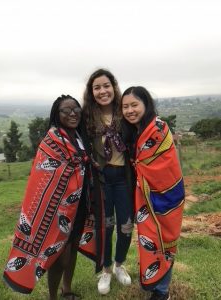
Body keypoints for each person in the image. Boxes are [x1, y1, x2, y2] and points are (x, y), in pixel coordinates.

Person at [3, 95, 104, 300]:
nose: (72, 113)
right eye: (66, 111)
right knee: (59, 255)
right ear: (57, 116)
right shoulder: (52, 139)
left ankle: (67, 290)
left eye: (75, 109)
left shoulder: (79, 136)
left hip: (80, 204)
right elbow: (45, 174)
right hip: (58, 210)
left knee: (73, 246)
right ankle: (53, 297)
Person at [121, 86, 185, 300]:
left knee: (164, 242)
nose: (130, 110)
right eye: (125, 107)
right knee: (149, 241)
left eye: (134, 105)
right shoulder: (133, 131)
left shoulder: (158, 128)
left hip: (165, 197)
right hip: (145, 199)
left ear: (146, 104)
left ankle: (162, 291)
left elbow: (164, 166)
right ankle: (156, 284)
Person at [82, 69, 134, 295]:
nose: (102, 91)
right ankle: (105, 270)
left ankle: (119, 264)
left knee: (126, 225)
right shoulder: (86, 117)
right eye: (97, 87)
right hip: (102, 179)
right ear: (91, 92)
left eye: (106, 85)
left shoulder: (125, 112)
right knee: (106, 226)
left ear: (113, 87)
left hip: (124, 178)